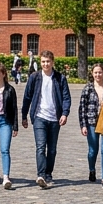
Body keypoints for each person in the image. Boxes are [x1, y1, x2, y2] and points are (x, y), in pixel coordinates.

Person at [21, 50, 71, 189]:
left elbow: (66, 97)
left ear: (52, 62)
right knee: (41, 147)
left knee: (53, 149)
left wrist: (64, 114)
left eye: (48, 61)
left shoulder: (60, 78)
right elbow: (27, 97)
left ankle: (48, 173)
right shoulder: (34, 77)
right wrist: (24, 115)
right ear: (40, 62)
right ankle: (41, 174)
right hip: (39, 117)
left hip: (55, 118)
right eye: (43, 61)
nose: (45, 64)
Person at [78, 63, 103, 189]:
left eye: (100, 72)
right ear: (92, 74)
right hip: (91, 122)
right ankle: (92, 169)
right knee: (92, 151)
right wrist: (83, 125)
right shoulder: (87, 88)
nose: (98, 75)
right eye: (95, 72)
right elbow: (82, 108)